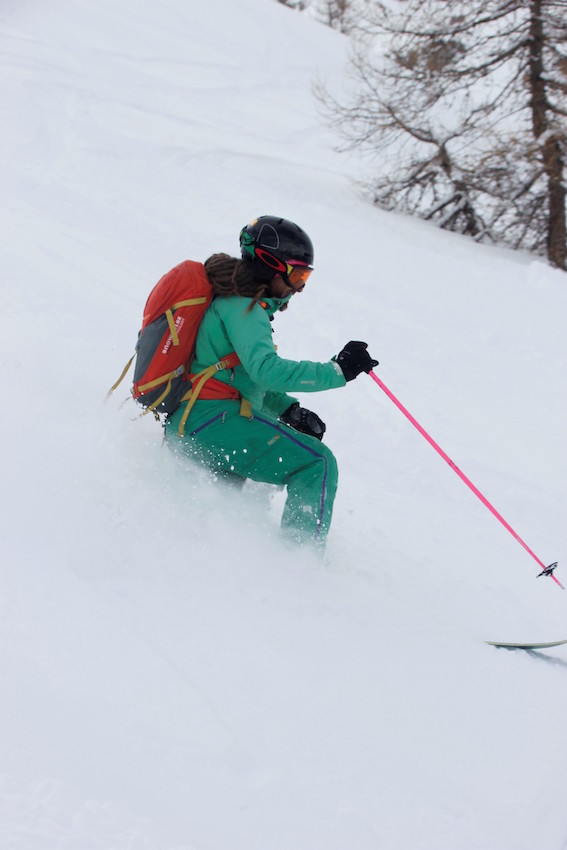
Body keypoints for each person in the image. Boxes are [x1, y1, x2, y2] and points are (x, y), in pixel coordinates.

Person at [165, 215, 377, 548]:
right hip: (215, 419)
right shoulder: (244, 308)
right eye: (298, 274)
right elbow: (266, 369)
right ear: (268, 264)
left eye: (306, 276)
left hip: (197, 423)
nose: (300, 287)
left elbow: (240, 375)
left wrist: (288, 408)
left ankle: (225, 571)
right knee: (316, 463)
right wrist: (338, 370)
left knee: (218, 509)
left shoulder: (235, 304)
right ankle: (299, 565)